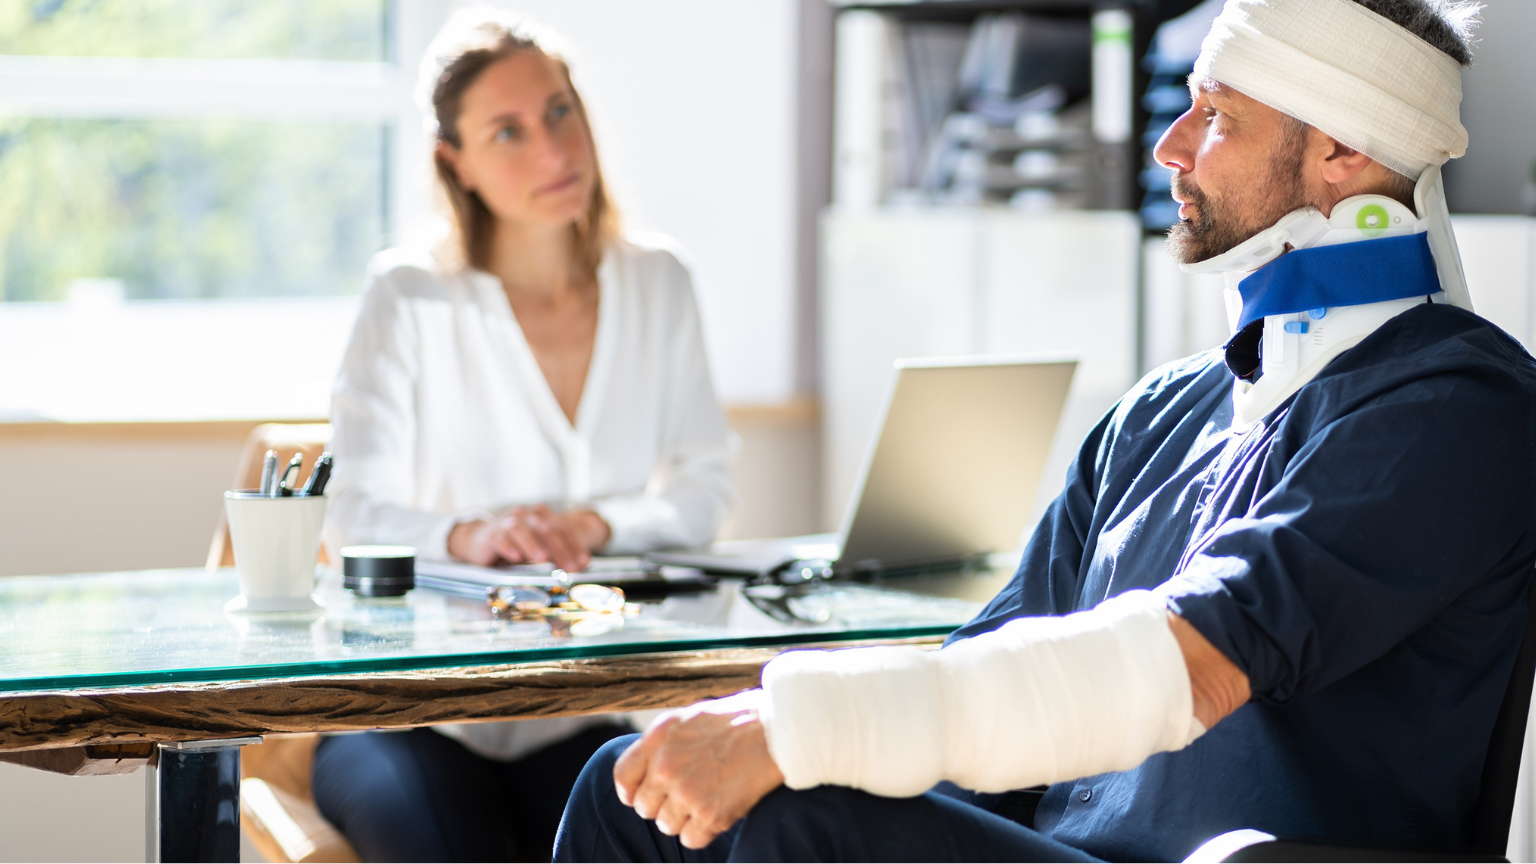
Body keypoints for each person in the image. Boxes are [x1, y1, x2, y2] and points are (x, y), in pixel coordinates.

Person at [554, 0, 1536, 861]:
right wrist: (788, 749)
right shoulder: (1159, 416)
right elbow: (992, 673)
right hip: (1049, 848)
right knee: (634, 789)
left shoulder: (1458, 409)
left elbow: (1180, 667)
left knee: (796, 823)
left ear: (1345, 152)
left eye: (1218, 117)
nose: (1171, 146)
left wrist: (801, 730)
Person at [314, 9, 734, 862]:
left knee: (676, 837)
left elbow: (704, 493)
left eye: (558, 111)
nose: (553, 150)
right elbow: (350, 512)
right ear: (454, 163)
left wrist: (594, 526)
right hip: (409, 715)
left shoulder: (659, 282)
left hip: (578, 707)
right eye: (507, 131)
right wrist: (472, 535)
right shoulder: (409, 296)